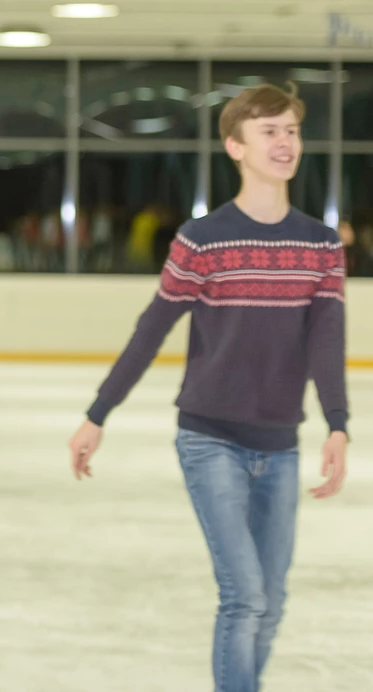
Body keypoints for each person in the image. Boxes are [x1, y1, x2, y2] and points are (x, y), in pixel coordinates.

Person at [68, 83, 348, 692]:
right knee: (244, 596)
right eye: (269, 131)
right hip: (209, 439)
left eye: (292, 131)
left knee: (271, 602)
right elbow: (152, 329)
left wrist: (338, 422)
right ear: (235, 147)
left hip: (280, 444)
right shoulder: (203, 239)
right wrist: (98, 413)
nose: (284, 142)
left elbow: (328, 338)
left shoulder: (321, 244)